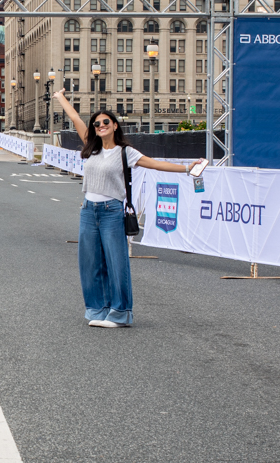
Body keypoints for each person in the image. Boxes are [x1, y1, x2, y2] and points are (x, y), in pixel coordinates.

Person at [53, 90, 203, 328]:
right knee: (89, 261)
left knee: (116, 261)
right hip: (88, 210)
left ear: (114, 125)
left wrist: (186, 169)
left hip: (112, 210)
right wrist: (60, 97)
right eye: (97, 123)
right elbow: (76, 119)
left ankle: (120, 312)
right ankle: (96, 309)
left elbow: (154, 164)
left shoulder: (125, 152)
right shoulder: (91, 147)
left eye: (105, 122)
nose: (100, 125)